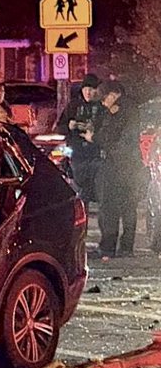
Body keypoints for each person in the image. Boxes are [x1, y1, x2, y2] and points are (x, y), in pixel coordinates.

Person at [94, 82, 145, 259]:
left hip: (117, 166)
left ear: (113, 95)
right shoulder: (130, 108)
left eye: (103, 98)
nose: (102, 103)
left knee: (110, 207)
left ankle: (109, 247)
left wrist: (94, 137)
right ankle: (126, 247)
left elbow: (113, 138)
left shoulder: (120, 111)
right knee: (129, 207)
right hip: (131, 167)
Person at [59, 73, 103, 202]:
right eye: (86, 89)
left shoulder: (102, 107)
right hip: (78, 155)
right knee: (80, 190)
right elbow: (59, 127)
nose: (88, 92)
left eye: (91, 89)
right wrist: (69, 126)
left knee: (98, 190)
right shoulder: (73, 106)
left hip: (97, 154)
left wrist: (94, 130)